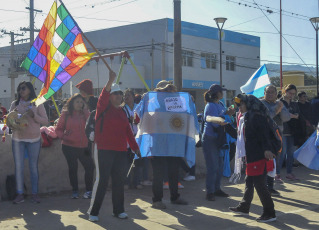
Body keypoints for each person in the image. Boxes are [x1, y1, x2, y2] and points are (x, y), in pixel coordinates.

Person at [87, 71, 141, 222]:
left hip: (120, 152)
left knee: (118, 181)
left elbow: (128, 132)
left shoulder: (123, 112)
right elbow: (104, 94)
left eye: (120, 94)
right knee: (102, 180)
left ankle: (119, 210)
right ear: (109, 96)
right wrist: (110, 80)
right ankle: (93, 212)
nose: (118, 96)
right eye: (115, 94)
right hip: (103, 149)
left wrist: (135, 147)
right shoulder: (102, 107)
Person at [229, 94, 277, 223]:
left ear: (249, 104)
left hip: (259, 155)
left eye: (241, 104)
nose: (239, 107)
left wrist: (267, 149)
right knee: (249, 181)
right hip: (252, 154)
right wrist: (227, 126)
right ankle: (244, 207)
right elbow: (241, 135)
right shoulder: (248, 117)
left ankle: (270, 213)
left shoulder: (256, 117)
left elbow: (264, 134)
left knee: (259, 184)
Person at [9, 81, 48, 204]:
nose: (21, 90)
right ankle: (20, 194)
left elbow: (45, 121)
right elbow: (8, 121)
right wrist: (12, 118)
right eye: (19, 88)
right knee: (19, 167)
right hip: (17, 139)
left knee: (33, 167)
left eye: (24, 88)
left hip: (34, 139)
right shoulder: (15, 104)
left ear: (30, 90)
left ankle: (35, 193)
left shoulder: (37, 103)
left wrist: (34, 115)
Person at [55, 94, 95, 199]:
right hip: (69, 146)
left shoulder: (86, 114)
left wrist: (86, 111)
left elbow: (91, 123)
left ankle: (89, 190)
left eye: (81, 102)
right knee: (73, 168)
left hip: (84, 146)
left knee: (90, 167)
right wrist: (64, 137)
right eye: (77, 101)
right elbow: (58, 129)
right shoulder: (66, 114)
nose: (79, 104)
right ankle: (75, 191)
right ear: (72, 102)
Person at [202, 84, 235, 201]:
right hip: (211, 139)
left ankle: (216, 189)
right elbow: (215, 122)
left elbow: (223, 119)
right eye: (221, 91)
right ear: (217, 93)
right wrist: (227, 115)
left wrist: (228, 114)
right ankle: (210, 191)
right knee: (213, 166)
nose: (223, 93)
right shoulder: (210, 106)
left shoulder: (219, 104)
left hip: (218, 139)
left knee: (219, 166)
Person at [261, 85, 290, 195]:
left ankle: (270, 186)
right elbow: (267, 116)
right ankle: (263, 186)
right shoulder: (261, 103)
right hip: (266, 136)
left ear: (276, 93)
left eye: (272, 92)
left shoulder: (279, 103)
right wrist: (276, 109)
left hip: (278, 136)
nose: (270, 94)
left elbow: (286, 118)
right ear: (264, 93)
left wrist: (280, 109)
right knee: (265, 161)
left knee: (275, 161)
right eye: (268, 92)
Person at [277, 84, 300, 181]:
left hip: (292, 131)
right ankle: (277, 173)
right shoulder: (279, 102)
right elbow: (280, 116)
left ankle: (289, 173)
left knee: (290, 153)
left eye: (293, 94)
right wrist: (290, 115)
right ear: (284, 91)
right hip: (282, 131)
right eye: (290, 93)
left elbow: (298, 115)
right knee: (282, 153)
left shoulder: (294, 104)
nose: (291, 95)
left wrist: (290, 115)